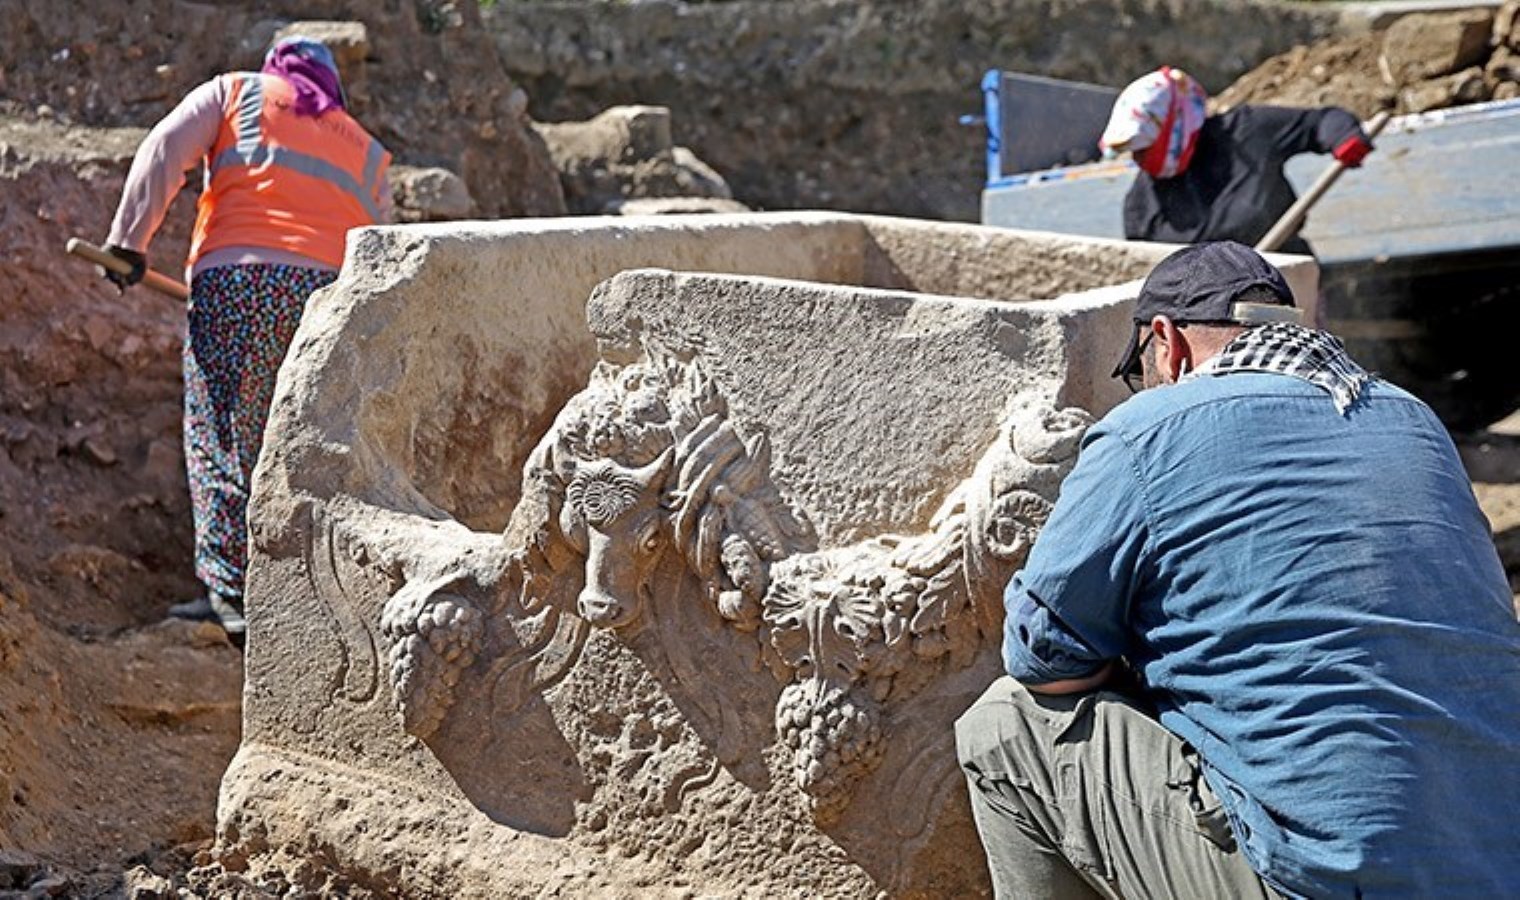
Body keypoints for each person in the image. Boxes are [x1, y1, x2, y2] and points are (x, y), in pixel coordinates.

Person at [955, 241, 1520, 899]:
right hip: (1493, 863)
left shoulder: (1148, 429)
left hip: (1329, 876)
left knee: (1003, 728)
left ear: (1165, 342)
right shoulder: (1413, 421)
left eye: (1143, 370)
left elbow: (1043, 654)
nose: (1148, 386)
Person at [101, 36, 392, 643]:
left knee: (222, 431)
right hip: (328, 301)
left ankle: (233, 593)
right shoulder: (367, 149)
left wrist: (129, 242)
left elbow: (164, 149)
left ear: (276, 69)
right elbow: (382, 249)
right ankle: (308, 592)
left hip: (238, 282)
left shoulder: (236, 91)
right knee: (302, 443)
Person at [1099, 67, 1374, 254]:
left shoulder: (1246, 132)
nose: (1140, 159)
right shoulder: (1142, 203)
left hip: (1284, 279)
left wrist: (1342, 137)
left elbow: (1321, 121)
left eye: (1145, 149)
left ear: (1175, 125)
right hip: (1208, 313)